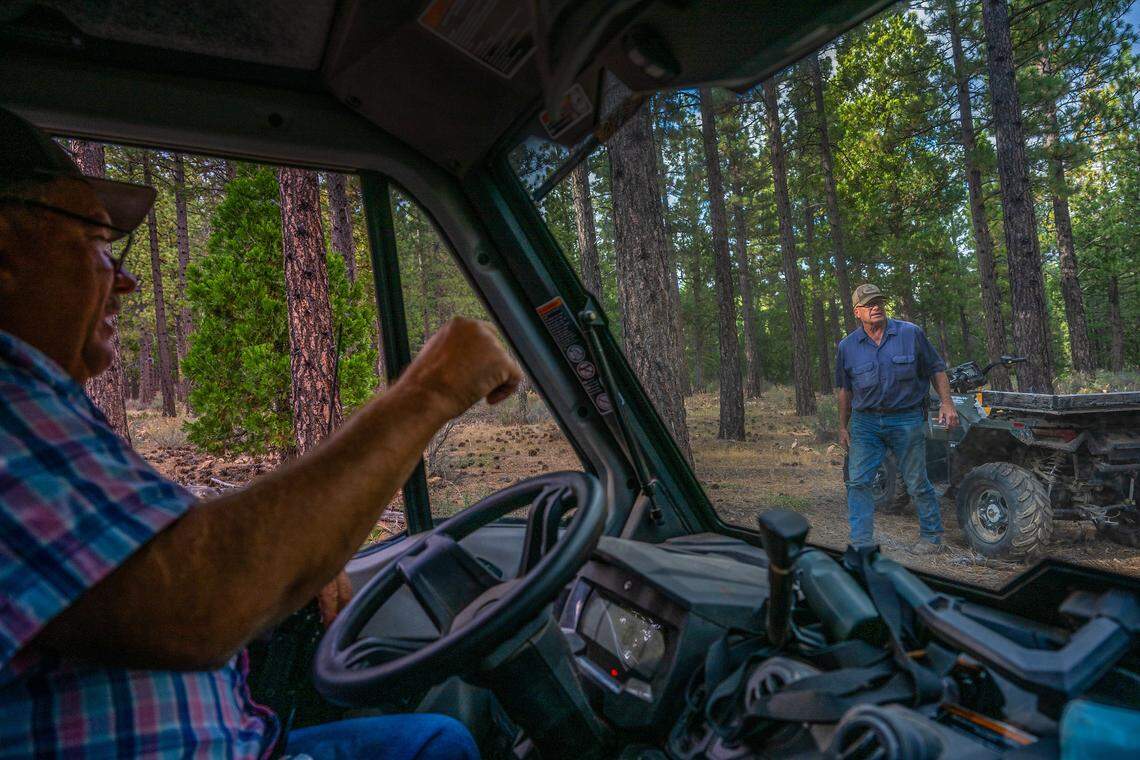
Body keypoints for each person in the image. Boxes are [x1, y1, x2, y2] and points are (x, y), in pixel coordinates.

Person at [0, 107, 521, 757]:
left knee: (435, 738)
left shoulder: (44, 406)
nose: (127, 280)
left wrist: (291, 559)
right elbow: (190, 601)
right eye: (99, 243)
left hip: (248, 739)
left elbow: (145, 567)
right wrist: (432, 390)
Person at [834, 284, 959, 555]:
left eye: (879, 301)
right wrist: (843, 426)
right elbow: (845, 390)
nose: (876, 306)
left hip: (906, 418)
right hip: (865, 423)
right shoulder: (847, 347)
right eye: (869, 304)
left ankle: (932, 537)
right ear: (858, 312)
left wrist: (947, 403)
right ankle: (861, 542)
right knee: (857, 482)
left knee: (916, 480)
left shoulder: (910, 333)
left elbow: (936, 369)